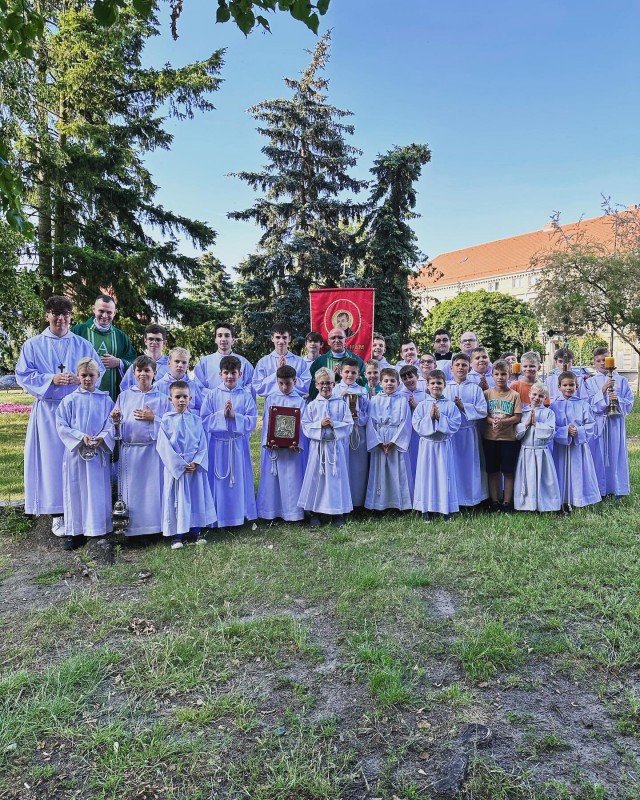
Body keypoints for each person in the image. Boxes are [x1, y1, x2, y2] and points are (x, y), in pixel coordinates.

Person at [16, 295, 104, 535]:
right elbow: (23, 375)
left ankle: (78, 508)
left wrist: (82, 378)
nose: (61, 319)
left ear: (71, 317)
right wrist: (51, 379)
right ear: (47, 316)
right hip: (48, 409)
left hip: (76, 409)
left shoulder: (82, 344)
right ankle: (57, 512)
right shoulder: (33, 345)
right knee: (52, 460)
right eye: (56, 314)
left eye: (65, 315)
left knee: (76, 457)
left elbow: (99, 369)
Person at [55, 358, 114, 550]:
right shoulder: (70, 400)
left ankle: (97, 529)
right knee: (76, 490)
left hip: (98, 453)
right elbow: (62, 425)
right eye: (84, 375)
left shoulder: (105, 400)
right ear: (78, 376)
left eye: (91, 375)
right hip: (76, 454)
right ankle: (76, 532)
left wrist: (102, 438)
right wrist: (81, 437)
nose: (87, 379)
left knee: (97, 491)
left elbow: (111, 423)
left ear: (98, 376)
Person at [110, 355, 172, 537]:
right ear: (134, 373)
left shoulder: (162, 398)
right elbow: (116, 424)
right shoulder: (125, 396)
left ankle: (154, 529)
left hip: (152, 451)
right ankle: (132, 529)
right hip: (130, 451)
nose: (143, 374)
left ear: (155, 373)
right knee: (133, 494)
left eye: (147, 370)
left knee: (152, 492)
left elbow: (170, 426)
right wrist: (116, 421)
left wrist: (153, 419)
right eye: (139, 370)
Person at [200, 355, 257, 529]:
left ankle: (237, 516)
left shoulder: (246, 395)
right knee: (219, 482)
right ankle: (218, 516)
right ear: (220, 374)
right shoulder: (212, 395)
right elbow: (204, 419)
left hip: (237, 444)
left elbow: (252, 421)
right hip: (218, 445)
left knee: (237, 481)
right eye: (226, 373)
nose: (230, 376)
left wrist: (235, 417)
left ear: (240, 374)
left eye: (233, 373)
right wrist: (221, 416)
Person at [157, 380, 216, 548]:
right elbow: (163, 446)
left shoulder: (196, 420)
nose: (181, 400)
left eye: (184, 397)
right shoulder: (166, 421)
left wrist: (196, 462)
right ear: (170, 400)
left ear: (190, 398)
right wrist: (180, 465)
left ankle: (196, 532)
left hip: (193, 468)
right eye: (177, 397)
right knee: (177, 500)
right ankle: (177, 536)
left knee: (196, 498)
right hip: (177, 469)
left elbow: (202, 443)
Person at [298, 368, 354, 527]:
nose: (325, 386)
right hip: (318, 448)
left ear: (334, 384)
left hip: (335, 448)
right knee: (317, 478)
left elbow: (349, 424)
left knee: (336, 479)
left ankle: (337, 512)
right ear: (316, 385)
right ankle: (315, 512)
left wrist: (334, 425)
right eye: (322, 383)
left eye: (328, 383)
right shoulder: (312, 405)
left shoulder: (341, 404)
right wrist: (319, 425)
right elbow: (306, 426)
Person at [256, 365, 306, 523]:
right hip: (275, 448)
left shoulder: (299, 400)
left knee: (292, 479)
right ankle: (272, 511)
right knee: (273, 479)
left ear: (295, 381)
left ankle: (292, 513)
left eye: (288, 383)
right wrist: (269, 441)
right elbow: (267, 422)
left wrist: (297, 442)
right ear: (277, 382)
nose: (284, 387)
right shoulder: (271, 398)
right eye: (281, 383)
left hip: (292, 449)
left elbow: (302, 424)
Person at [581, 348, 632, 499]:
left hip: (615, 422)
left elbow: (629, 402)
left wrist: (618, 400)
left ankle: (616, 488)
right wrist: (602, 391)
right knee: (598, 454)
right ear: (594, 363)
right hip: (599, 422)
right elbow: (588, 404)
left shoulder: (622, 380)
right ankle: (599, 488)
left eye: (605, 360)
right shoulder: (589, 382)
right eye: (598, 361)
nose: (602, 363)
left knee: (615, 452)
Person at [412, 370, 461, 522]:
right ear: (427, 385)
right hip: (427, 446)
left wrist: (440, 418)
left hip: (443, 445)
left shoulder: (451, 406)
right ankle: (426, 509)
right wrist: (430, 418)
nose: (436, 386)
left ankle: (446, 508)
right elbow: (417, 425)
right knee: (426, 476)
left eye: (439, 383)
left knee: (444, 476)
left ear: (444, 385)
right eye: (432, 383)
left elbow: (455, 424)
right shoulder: (422, 405)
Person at [551, 371, 600, 514]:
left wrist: (578, 431)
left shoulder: (583, 404)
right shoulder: (554, 405)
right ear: (559, 386)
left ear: (577, 386)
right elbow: (552, 426)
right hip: (561, 447)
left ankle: (577, 498)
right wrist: (565, 431)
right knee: (561, 471)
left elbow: (591, 424)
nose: (568, 388)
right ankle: (562, 500)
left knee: (578, 472)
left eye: (571, 385)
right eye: (565, 385)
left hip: (578, 447)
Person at [365, 368, 413, 512]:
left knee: (399, 470)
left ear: (398, 383)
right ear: (381, 383)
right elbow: (370, 423)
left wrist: (394, 442)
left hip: (396, 437)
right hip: (380, 437)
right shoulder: (374, 400)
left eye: (393, 381)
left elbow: (406, 422)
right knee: (380, 470)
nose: (389, 384)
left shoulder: (403, 401)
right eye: (386, 381)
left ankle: (400, 504)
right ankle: (379, 504)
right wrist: (378, 442)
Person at [72, 294, 137, 400]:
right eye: (101, 311)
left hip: (112, 395)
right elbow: (68, 357)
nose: (105, 315)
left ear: (114, 313)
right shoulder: (79, 331)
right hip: (81, 394)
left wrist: (119, 362)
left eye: (109, 312)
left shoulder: (120, 336)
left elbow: (134, 361)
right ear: (94, 309)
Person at [444, 352, 489, 509]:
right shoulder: (445, 387)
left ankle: (471, 499)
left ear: (469, 368)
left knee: (469, 466)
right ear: (451, 368)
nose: (461, 368)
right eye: (458, 365)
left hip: (469, 433)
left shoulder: (475, 389)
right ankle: (454, 499)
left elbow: (483, 410)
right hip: (451, 435)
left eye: (464, 365)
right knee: (453, 466)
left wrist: (464, 407)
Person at [514, 382, 561, 512]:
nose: (536, 398)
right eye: (534, 394)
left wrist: (537, 424)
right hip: (526, 451)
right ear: (529, 394)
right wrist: (526, 424)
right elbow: (516, 433)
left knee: (545, 479)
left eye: (541, 396)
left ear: (545, 398)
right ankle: (526, 505)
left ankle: (546, 504)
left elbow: (551, 431)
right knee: (527, 477)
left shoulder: (548, 413)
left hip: (541, 452)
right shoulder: (523, 411)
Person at [482, 359, 522, 513]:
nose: (500, 377)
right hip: (490, 438)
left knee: (508, 471)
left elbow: (517, 417)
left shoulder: (514, 395)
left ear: (509, 375)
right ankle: (494, 501)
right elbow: (483, 414)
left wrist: (504, 422)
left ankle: (506, 502)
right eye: (497, 374)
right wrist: (492, 420)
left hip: (508, 439)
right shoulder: (487, 394)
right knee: (492, 471)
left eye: (503, 374)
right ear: (492, 375)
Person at [332, 357, 370, 509]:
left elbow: (368, 412)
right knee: (342, 466)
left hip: (357, 433)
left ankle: (357, 502)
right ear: (340, 372)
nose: (349, 375)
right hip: (341, 434)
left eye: (353, 372)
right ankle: (341, 501)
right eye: (346, 372)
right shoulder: (335, 390)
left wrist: (359, 413)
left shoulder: (362, 391)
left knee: (357, 468)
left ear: (358, 374)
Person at [253, 322, 311, 398]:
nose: (281, 341)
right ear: (272, 338)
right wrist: (277, 373)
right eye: (277, 337)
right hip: (273, 404)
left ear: (289, 338)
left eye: (284, 337)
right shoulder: (263, 362)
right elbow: (258, 388)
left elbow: (306, 388)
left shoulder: (300, 362)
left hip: (294, 404)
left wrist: (288, 374)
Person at [194, 323, 254, 393]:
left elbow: (251, 386)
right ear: (215, 339)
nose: (223, 339)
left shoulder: (244, 363)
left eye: (227, 335)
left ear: (233, 340)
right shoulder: (203, 363)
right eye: (219, 336)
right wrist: (216, 397)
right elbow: (198, 388)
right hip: (212, 403)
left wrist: (238, 397)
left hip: (238, 403)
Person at [308, 328, 365, 399]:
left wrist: (345, 377)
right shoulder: (319, 362)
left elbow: (364, 380)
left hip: (351, 401)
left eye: (340, 337)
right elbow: (313, 385)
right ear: (328, 342)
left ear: (345, 341)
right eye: (333, 338)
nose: (337, 340)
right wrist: (330, 378)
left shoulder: (357, 360)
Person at [120, 324, 170, 391]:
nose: (154, 342)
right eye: (151, 339)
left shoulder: (171, 366)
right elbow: (124, 389)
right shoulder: (136, 365)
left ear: (164, 343)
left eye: (158, 340)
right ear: (145, 341)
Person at [398, 364, 427, 476]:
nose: (408, 380)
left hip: (419, 434)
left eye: (411, 377)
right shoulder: (399, 396)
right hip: (405, 433)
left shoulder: (425, 396)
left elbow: (428, 415)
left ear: (417, 376)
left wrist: (416, 406)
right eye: (405, 378)